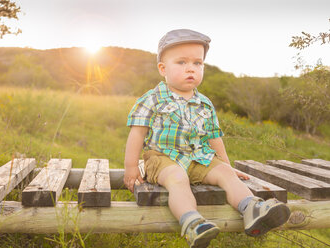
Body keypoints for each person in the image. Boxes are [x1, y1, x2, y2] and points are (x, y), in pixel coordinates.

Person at [123, 29, 291, 248]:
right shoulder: (152, 99)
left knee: (225, 174)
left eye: (197, 63)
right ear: (163, 69)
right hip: (162, 158)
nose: (191, 68)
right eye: (181, 62)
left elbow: (214, 138)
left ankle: (252, 208)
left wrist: (227, 166)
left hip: (198, 157)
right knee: (177, 178)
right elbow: (137, 134)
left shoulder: (205, 103)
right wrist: (130, 169)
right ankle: (193, 223)